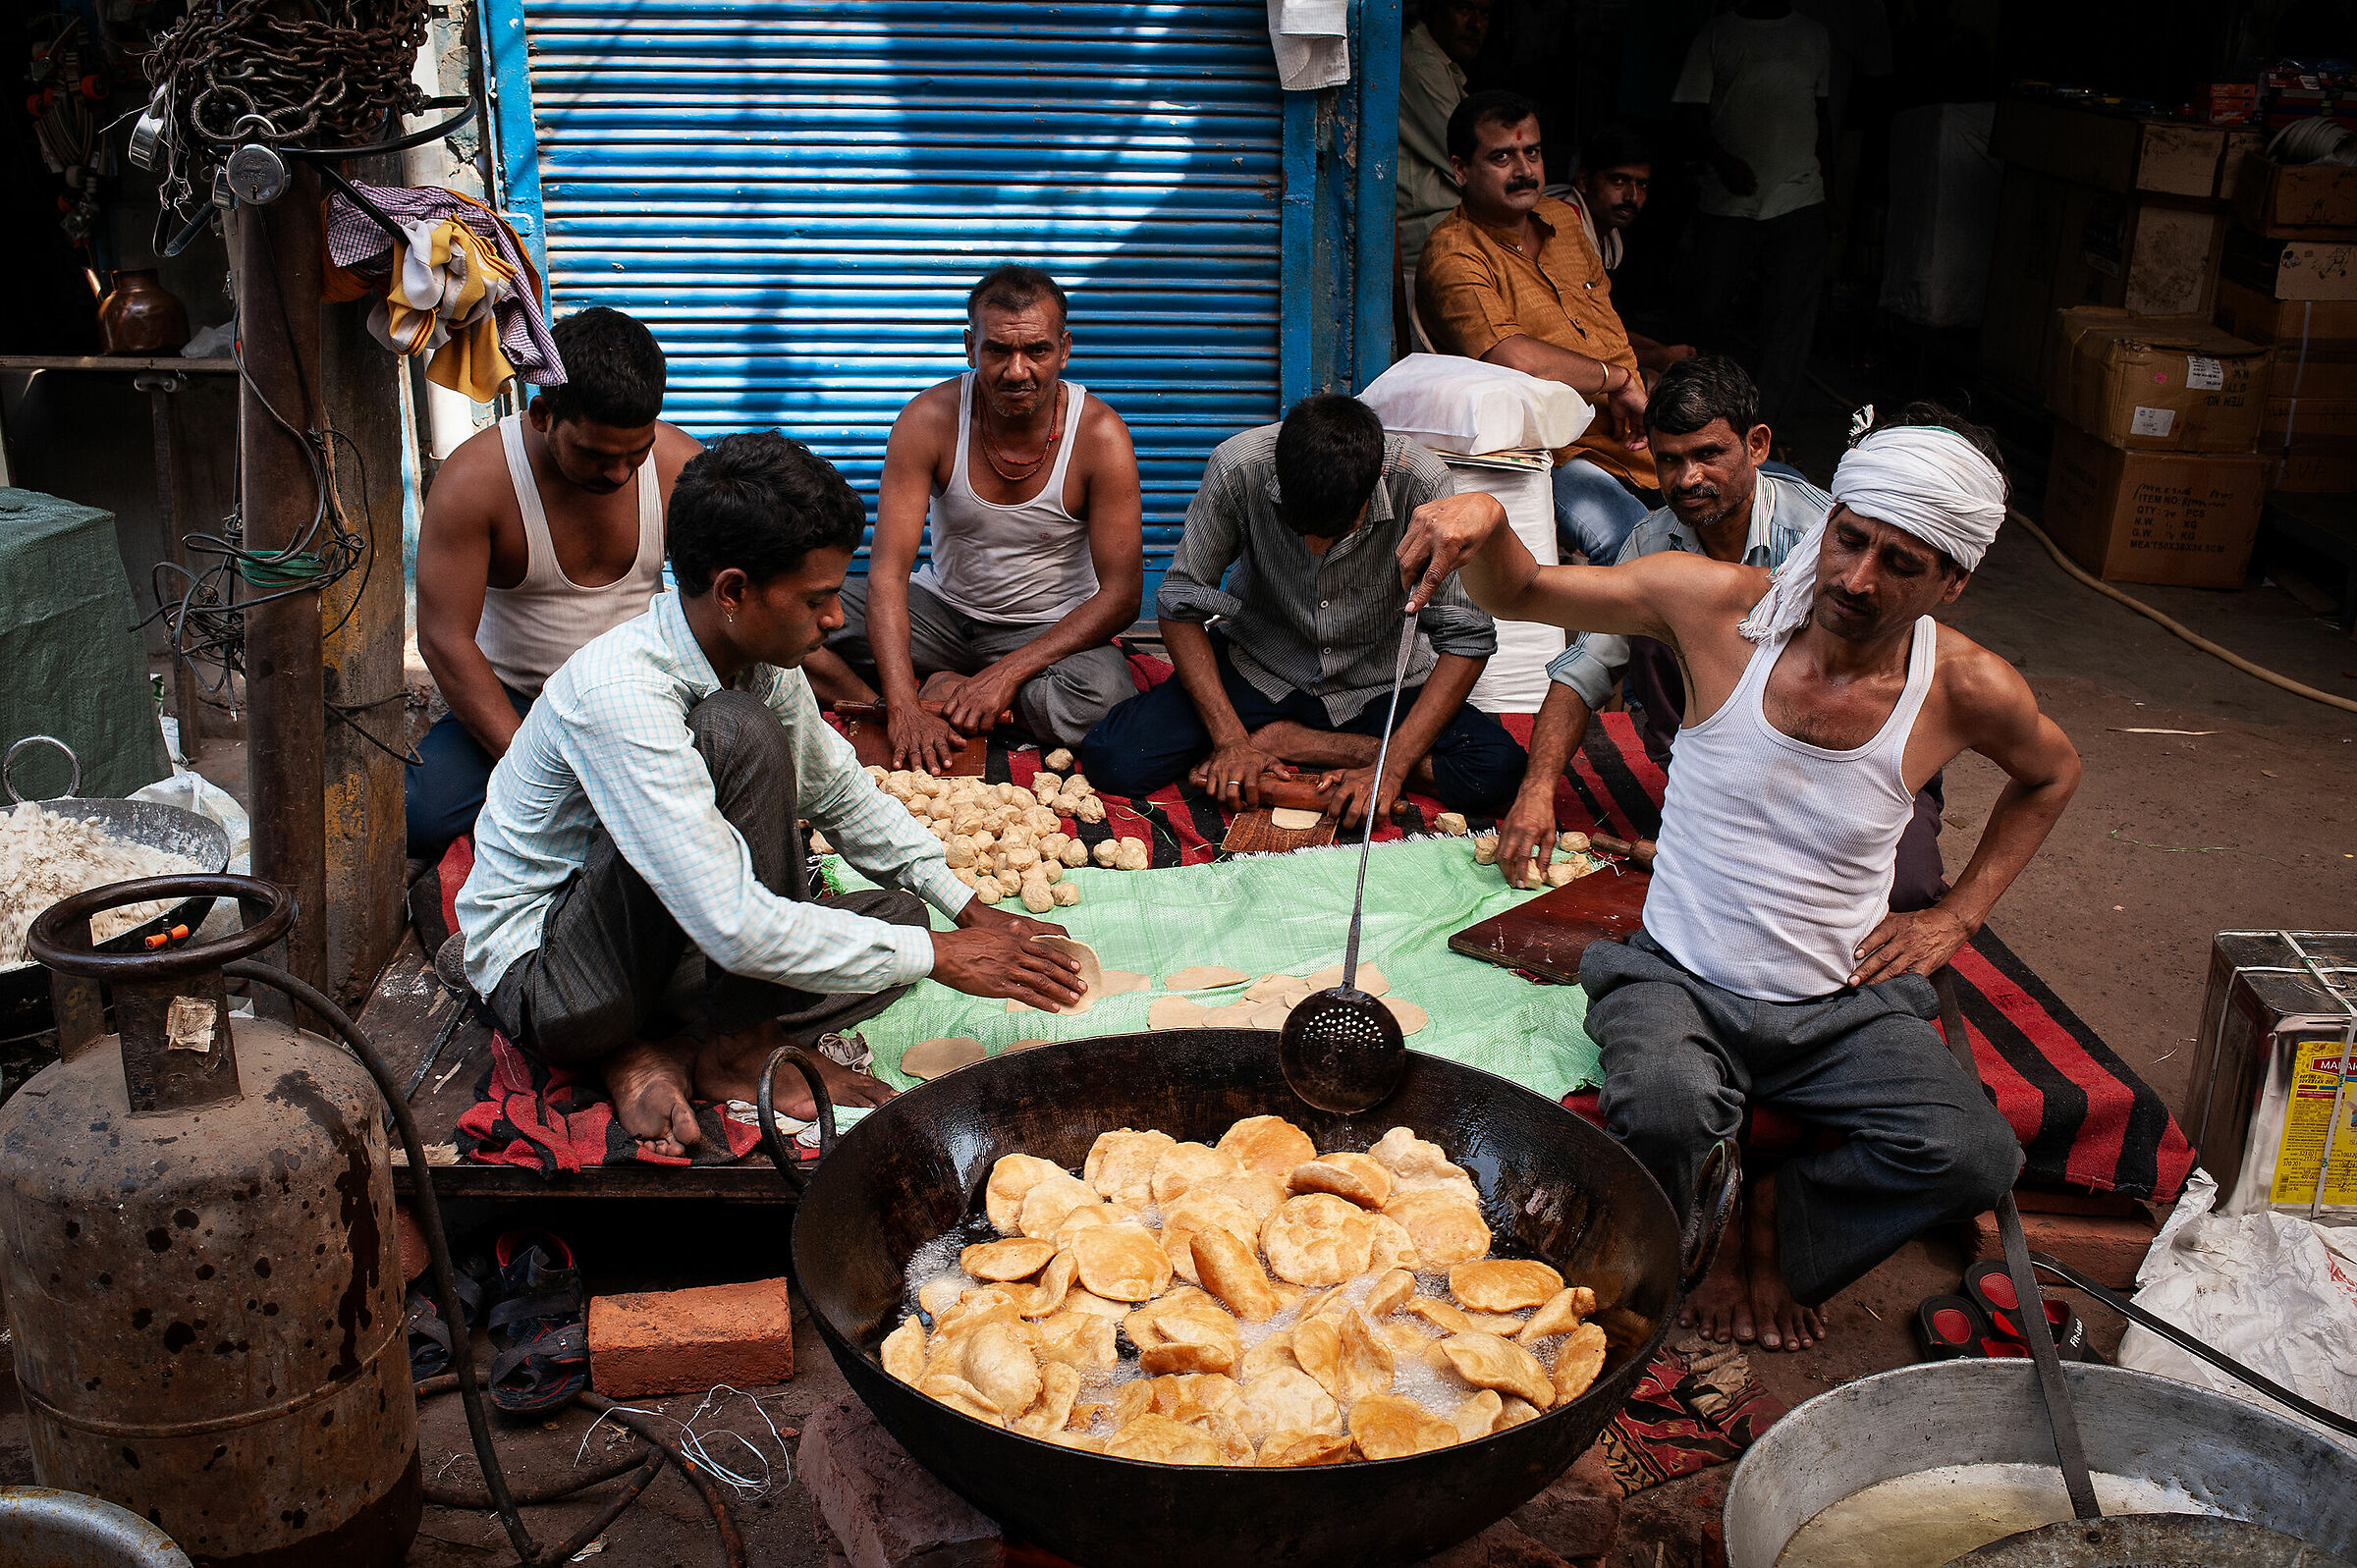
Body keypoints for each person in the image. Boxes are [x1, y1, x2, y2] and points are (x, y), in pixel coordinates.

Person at [1399, 403, 2081, 1352]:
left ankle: (1781, 1224)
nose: (1856, 578)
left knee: (1975, 1155)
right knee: (1667, 1105)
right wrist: (1485, 519)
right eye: (1851, 539)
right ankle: (1707, 1246)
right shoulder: (1713, 607)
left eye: (1901, 563)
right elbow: (1522, 590)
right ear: (1830, 518)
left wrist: (1957, 916)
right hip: (1680, 976)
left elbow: (2052, 774)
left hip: (1839, 1004)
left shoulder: (1966, 687)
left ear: (1952, 582)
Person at [457, 432, 1089, 1158]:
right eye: (817, 599)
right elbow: (733, 925)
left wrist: (965, 908)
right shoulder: (622, 694)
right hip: (555, 976)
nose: (836, 620)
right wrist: (943, 956)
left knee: (901, 916)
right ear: (733, 591)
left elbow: (838, 790)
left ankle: (670, 1048)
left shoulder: (758, 655)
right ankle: (716, 1049)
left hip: (666, 941)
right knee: (741, 734)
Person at [1081, 394, 1523, 828]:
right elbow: (1180, 602)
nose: (1315, 548)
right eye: (1301, 528)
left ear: (1377, 480)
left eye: (1337, 530)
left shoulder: (1421, 485)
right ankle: (1280, 739)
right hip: (1258, 667)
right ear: (1278, 470)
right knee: (1115, 760)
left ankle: (1293, 740)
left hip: (1378, 680)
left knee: (1497, 774)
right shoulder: (1239, 467)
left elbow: (1467, 637)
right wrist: (1231, 741)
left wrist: (1390, 767)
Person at [804, 266, 1143, 773]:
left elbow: (1122, 596)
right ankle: (888, 701)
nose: (1017, 371)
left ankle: (952, 691)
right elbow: (888, 575)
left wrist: (1005, 674)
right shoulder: (929, 419)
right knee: (793, 616)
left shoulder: (1099, 435)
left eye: (1037, 350)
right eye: (997, 350)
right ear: (970, 347)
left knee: (1106, 700)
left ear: (1064, 350)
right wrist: (900, 708)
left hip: (1045, 628)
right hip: (940, 613)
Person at [407, 307, 702, 859]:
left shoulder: (679, 468)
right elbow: (445, 640)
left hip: (641, 695)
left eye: (635, 453)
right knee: (419, 816)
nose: (619, 474)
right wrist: (535, 764)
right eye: (594, 455)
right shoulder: (475, 481)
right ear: (542, 414)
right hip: (521, 701)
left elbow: (720, 603)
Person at [1417, 91, 1659, 569]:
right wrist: (1618, 381)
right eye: (1502, 157)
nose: (1524, 170)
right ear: (1461, 169)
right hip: (1553, 454)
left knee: (1770, 497)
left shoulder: (1563, 221)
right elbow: (1511, 358)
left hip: (1634, 434)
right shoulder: (1454, 253)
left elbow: (1607, 327)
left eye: (1532, 152)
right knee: (1633, 542)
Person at [1673, 0, 1835, 433]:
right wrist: (1721, 160)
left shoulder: (1814, 36)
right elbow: (1689, 112)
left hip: (1800, 197)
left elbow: (1821, 119)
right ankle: (1696, 419)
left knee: (1788, 325)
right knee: (1706, 316)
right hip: (1728, 203)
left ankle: (1768, 431)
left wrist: (1832, 195)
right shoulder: (1718, 33)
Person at [1562, 124, 1696, 380]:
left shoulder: (1606, 235)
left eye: (1642, 184)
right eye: (1618, 180)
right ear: (1584, 180)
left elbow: (1603, 324)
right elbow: (1578, 338)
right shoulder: (1564, 228)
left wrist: (1660, 350)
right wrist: (1660, 357)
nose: (1632, 196)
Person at [1397, 0, 1494, 286]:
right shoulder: (1419, 61)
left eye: (1484, 13)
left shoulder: (1441, 63)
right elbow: (1475, 157)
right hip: (1424, 235)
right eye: (1464, 8)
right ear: (1435, 8)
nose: (1475, 24)